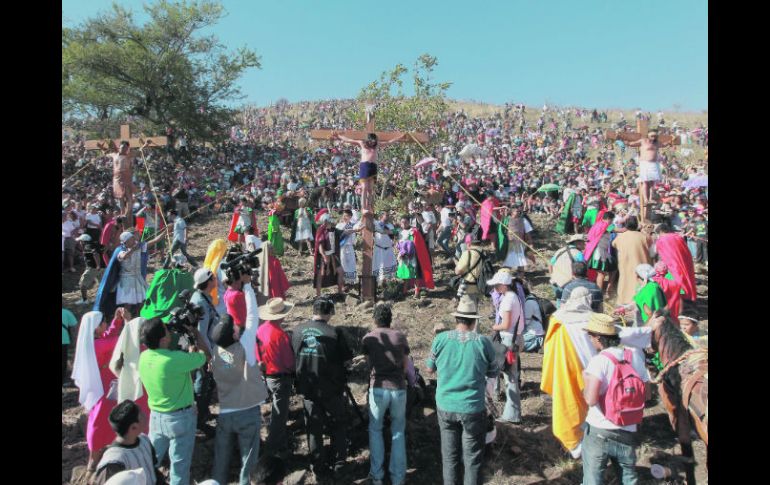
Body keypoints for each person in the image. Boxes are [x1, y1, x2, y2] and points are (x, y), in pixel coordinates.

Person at [425, 299, 499, 485]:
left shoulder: (440, 340)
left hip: (446, 405)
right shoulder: (483, 342)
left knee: (450, 458)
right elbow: (493, 371)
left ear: (456, 318)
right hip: (472, 407)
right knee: (473, 460)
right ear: (474, 321)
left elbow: (429, 369)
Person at [138, 317, 211, 485]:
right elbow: (205, 356)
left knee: (150, 461)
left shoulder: (143, 357)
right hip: (181, 419)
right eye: (166, 329)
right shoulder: (174, 359)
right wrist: (194, 332)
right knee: (179, 467)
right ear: (163, 339)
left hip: (156, 417)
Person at [210, 281, 270, 485]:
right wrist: (247, 287)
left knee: (221, 460)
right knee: (249, 461)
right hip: (247, 410)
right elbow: (252, 317)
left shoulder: (217, 353)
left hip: (225, 412)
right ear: (234, 335)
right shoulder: (243, 348)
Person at [581, 313, 651, 485]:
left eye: (590, 336)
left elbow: (590, 399)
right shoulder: (634, 357)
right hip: (627, 428)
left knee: (593, 479)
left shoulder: (599, 361)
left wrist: (585, 382)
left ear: (598, 338)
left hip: (599, 429)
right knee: (628, 478)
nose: (590, 340)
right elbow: (647, 394)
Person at [291, 297, 353, 480]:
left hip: (307, 388)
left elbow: (293, 355)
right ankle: (339, 462)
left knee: (313, 427)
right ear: (329, 313)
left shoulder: (297, 331)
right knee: (338, 423)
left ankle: (317, 465)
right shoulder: (335, 333)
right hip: (331, 388)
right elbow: (348, 361)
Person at [72, 309, 128, 473]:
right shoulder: (99, 345)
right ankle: (94, 457)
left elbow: (109, 336)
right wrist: (127, 322)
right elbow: (120, 340)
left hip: (104, 383)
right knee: (99, 420)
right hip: (103, 386)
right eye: (104, 322)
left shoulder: (93, 342)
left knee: (104, 417)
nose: (105, 324)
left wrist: (116, 322)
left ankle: (99, 453)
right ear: (96, 327)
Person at [362, 304, 410, 485]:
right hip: (398, 388)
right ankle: (398, 477)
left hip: (378, 388)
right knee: (398, 431)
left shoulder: (368, 338)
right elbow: (405, 365)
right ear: (390, 319)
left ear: (375, 319)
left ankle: (377, 476)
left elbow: (368, 364)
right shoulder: (400, 336)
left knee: (375, 430)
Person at [257, 297, 296, 460]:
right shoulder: (281, 335)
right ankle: (273, 449)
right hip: (280, 378)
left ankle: (276, 441)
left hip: (265, 375)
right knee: (280, 415)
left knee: (275, 408)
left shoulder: (260, 330)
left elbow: (256, 351)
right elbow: (289, 362)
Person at [331, 131, 406, 211]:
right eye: (371, 141)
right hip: (365, 166)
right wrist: (338, 136)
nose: (373, 143)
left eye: (374, 141)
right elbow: (349, 140)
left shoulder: (376, 145)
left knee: (370, 189)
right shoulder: (362, 143)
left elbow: (389, 142)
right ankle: (364, 207)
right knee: (364, 188)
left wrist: (400, 137)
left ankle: (369, 206)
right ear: (368, 140)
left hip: (373, 167)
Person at [93, 400, 163, 485]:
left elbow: (153, 471)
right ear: (134, 427)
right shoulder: (113, 462)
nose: (146, 415)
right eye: (141, 414)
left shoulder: (144, 440)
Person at [488, 270, 524, 424]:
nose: (495, 288)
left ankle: (512, 414)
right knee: (511, 375)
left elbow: (506, 324)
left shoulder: (508, 300)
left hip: (509, 340)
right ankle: (512, 412)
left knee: (510, 377)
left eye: (497, 285)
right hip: (515, 338)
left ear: (504, 285)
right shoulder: (513, 296)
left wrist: (494, 327)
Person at [190, 268, 220, 437]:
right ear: (208, 282)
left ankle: (203, 413)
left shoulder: (201, 298)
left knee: (207, 383)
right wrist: (209, 357)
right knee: (203, 383)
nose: (216, 279)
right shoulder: (201, 303)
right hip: (206, 351)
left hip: (207, 348)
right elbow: (201, 333)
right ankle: (200, 421)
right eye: (213, 278)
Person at [624, 129, 677, 221]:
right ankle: (646, 199)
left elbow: (665, 144)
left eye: (655, 136)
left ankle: (651, 198)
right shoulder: (643, 141)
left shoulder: (657, 143)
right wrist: (623, 139)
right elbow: (631, 144)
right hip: (645, 164)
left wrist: (672, 140)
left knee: (652, 184)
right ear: (648, 135)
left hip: (654, 164)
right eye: (652, 136)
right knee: (645, 182)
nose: (653, 137)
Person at [611, 216, 651, 305]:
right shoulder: (643, 236)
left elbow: (614, 244)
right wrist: (644, 230)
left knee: (625, 282)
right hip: (640, 265)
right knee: (639, 283)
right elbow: (650, 242)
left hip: (626, 264)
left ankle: (624, 301)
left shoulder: (620, 237)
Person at [583, 211, 619, 295]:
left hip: (592, 251)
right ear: (608, 219)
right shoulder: (605, 225)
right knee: (601, 273)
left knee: (603, 272)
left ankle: (603, 291)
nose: (612, 222)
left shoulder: (596, 224)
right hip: (600, 252)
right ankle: (601, 293)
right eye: (612, 220)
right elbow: (618, 230)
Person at [313, 213, 345, 297]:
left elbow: (345, 232)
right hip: (323, 257)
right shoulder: (320, 230)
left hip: (333, 256)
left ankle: (340, 292)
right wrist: (324, 256)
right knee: (320, 276)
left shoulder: (333, 230)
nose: (330, 222)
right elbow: (320, 246)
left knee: (341, 272)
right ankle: (318, 296)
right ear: (325, 221)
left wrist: (356, 230)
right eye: (328, 220)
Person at [549, 234, 586, 303]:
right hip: (569, 283)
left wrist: (552, 276)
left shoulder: (559, 251)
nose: (585, 244)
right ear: (577, 243)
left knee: (559, 301)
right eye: (583, 242)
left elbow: (550, 264)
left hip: (555, 282)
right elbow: (582, 269)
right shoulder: (578, 254)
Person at [453, 233, 486, 306]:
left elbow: (458, 271)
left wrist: (457, 264)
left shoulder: (467, 254)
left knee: (466, 310)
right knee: (475, 310)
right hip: (480, 286)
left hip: (468, 287)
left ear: (468, 243)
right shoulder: (483, 253)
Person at [336, 209, 364, 290]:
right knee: (343, 264)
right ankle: (343, 283)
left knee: (350, 264)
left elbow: (359, 225)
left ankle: (349, 283)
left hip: (350, 247)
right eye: (344, 215)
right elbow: (341, 234)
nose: (345, 217)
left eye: (347, 216)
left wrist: (363, 215)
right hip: (342, 248)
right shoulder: (339, 225)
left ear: (350, 217)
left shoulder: (352, 225)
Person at [77, 234, 105, 304]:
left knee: (82, 284)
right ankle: (101, 299)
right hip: (102, 267)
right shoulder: (96, 244)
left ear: (83, 241)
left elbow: (95, 254)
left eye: (80, 241)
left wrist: (98, 265)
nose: (79, 243)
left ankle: (84, 300)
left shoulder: (87, 246)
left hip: (93, 268)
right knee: (102, 284)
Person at [372, 212, 398, 284]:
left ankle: (389, 282)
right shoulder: (377, 223)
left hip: (389, 249)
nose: (388, 216)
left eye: (388, 215)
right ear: (381, 216)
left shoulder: (390, 225)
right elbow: (382, 231)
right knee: (380, 266)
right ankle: (380, 283)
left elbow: (392, 235)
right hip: (379, 249)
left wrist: (387, 232)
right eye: (386, 215)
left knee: (389, 266)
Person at [62, 307, 78, 386]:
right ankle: (63, 380)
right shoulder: (66, 312)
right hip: (63, 340)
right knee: (63, 361)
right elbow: (74, 327)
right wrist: (74, 341)